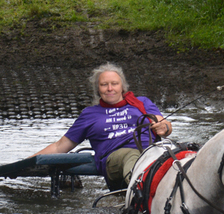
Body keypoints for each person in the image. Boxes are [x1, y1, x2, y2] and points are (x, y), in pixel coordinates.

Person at [31, 63, 172, 188]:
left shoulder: (142, 102)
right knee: (131, 155)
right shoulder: (90, 114)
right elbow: (59, 146)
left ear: (122, 86)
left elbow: (164, 125)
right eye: (104, 85)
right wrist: (26, 162)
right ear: (98, 89)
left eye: (114, 84)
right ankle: (142, 189)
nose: (110, 88)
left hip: (151, 151)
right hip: (116, 158)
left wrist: (164, 128)